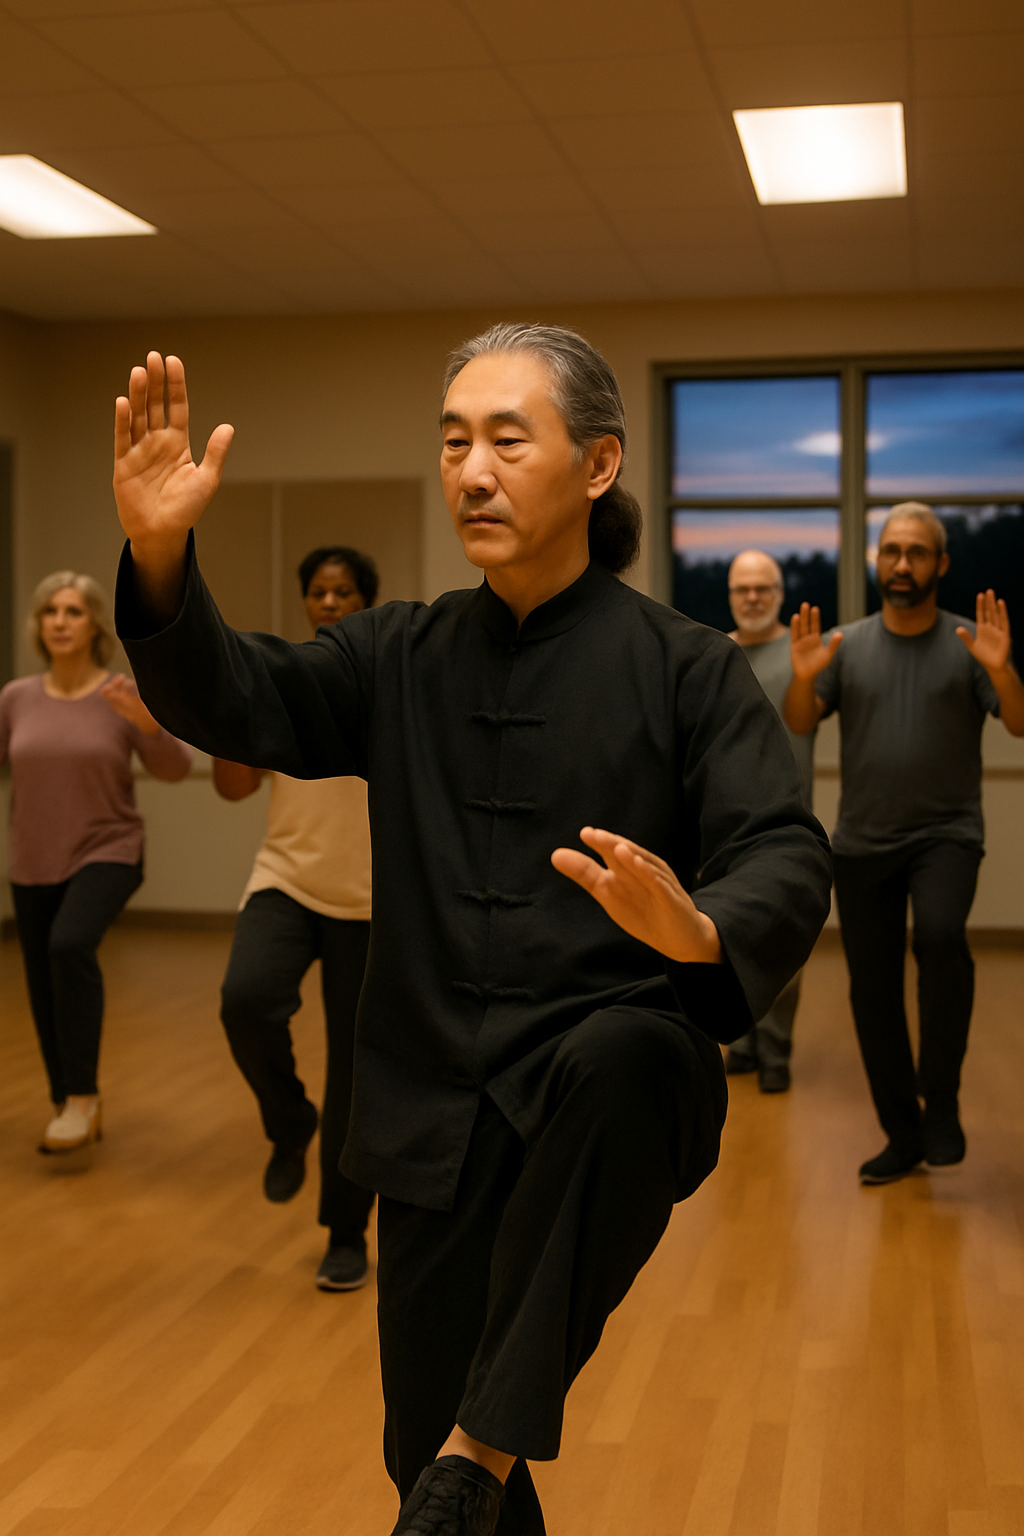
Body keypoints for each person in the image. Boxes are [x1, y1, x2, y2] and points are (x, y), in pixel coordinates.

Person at [111, 327, 832, 1536]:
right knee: (435, 1480)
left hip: (601, 1085)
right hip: (429, 1101)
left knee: (630, 1051)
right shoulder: (398, 651)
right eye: (453, 444)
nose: (472, 472)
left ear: (598, 466)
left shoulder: (686, 667)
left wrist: (700, 925)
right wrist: (157, 548)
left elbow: (787, 851)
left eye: (507, 439)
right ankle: (471, 1455)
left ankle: (479, 1441)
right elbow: (238, 695)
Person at [784, 502, 1024, 1186]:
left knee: (942, 939)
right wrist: (803, 678)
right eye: (891, 551)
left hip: (947, 833)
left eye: (917, 552)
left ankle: (941, 1102)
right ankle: (904, 1133)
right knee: (874, 991)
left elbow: (1018, 723)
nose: (902, 564)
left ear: (940, 565)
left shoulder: (969, 643)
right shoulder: (844, 645)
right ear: (876, 559)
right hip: (862, 842)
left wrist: (1003, 670)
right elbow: (802, 720)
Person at [214, 546, 378, 1291]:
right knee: (245, 1000)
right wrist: (222, 715)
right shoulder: (281, 679)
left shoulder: (388, 680)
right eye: (319, 591)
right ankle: (288, 1122)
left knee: (355, 1074)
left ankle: (345, 1234)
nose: (331, 602)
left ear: (367, 602)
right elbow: (234, 789)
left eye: (345, 591)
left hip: (374, 901)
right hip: (287, 879)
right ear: (306, 602)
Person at [0, 571, 191, 1153]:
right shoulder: (16, 698)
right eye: (49, 612)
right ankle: (69, 1101)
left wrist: (148, 726)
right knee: (42, 981)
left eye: (73, 611)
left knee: (68, 945)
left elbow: (174, 768)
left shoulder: (120, 693)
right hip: (33, 857)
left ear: (93, 625)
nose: (59, 621)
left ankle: (81, 1095)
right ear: (39, 627)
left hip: (108, 849)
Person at [724, 549, 816, 1093]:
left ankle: (776, 1048)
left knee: (783, 940)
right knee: (728, 933)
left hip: (787, 820)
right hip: (724, 823)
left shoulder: (804, 653)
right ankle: (740, 1040)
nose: (753, 598)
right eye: (743, 589)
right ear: (731, 595)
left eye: (764, 588)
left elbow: (811, 717)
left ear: (780, 593)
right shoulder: (717, 654)